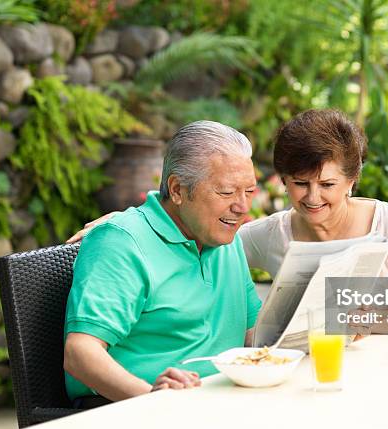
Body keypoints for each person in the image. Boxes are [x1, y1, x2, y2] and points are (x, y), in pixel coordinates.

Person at [69, 109, 388, 282]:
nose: (313, 197)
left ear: (352, 181)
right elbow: (191, 221)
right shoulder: (270, 235)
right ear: (283, 180)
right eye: (300, 183)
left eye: (327, 185)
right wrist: (129, 220)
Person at [64, 120, 261, 408]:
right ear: (178, 190)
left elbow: (256, 337)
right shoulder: (121, 242)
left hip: (220, 404)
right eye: (227, 192)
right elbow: (79, 353)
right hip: (128, 413)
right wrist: (151, 398)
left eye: (250, 192)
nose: (242, 207)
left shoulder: (225, 239)